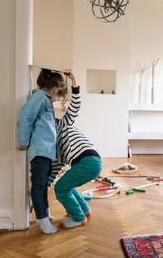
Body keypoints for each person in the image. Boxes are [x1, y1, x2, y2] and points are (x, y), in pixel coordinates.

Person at [17, 69, 67, 234]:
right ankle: (41, 219)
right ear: (55, 89)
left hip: (46, 151)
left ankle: (45, 213)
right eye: (59, 96)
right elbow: (26, 116)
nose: (58, 99)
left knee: (44, 184)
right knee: (38, 185)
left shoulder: (45, 100)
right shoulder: (39, 98)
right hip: (40, 150)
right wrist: (23, 141)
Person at [54, 71, 102, 229]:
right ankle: (84, 210)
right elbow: (56, 169)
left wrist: (74, 81)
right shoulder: (54, 145)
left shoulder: (64, 123)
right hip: (92, 162)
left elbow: (75, 104)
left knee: (61, 187)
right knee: (66, 184)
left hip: (87, 160)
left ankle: (78, 217)